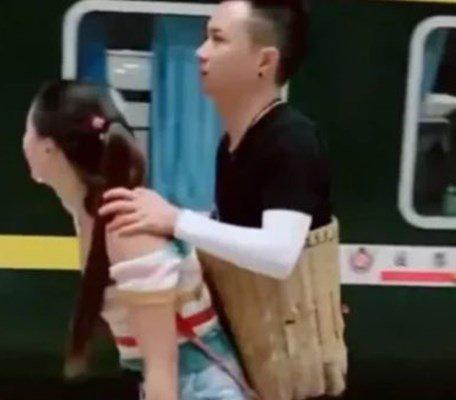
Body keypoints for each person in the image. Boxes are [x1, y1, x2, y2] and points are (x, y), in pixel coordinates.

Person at [99, 1, 348, 399]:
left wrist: (176, 220)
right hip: (260, 362)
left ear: (264, 61)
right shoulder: (233, 143)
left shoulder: (291, 139)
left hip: (292, 371)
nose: (201, 52)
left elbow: (279, 253)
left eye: (217, 39)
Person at [22, 80, 253, 400]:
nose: (23, 141)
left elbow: (162, 367)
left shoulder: (126, 230)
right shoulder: (94, 217)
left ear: (48, 148)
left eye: (28, 130)